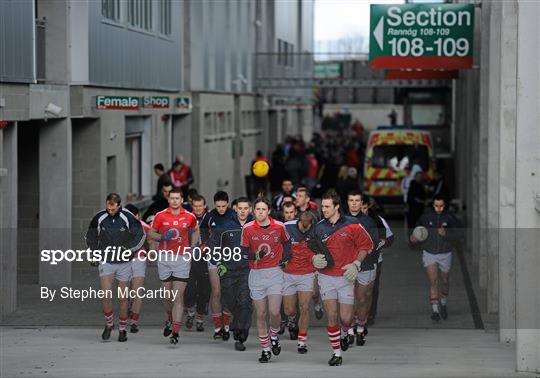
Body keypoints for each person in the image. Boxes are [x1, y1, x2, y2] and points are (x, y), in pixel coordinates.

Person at [313, 191, 373, 366]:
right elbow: (313, 250)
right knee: (331, 316)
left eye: (327, 206)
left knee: (346, 318)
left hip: (346, 277)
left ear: (337, 206)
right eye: (322, 206)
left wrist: (356, 264)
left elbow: (366, 246)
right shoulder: (319, 227)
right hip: (325, 277)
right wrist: (313, 259)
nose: (323, 210)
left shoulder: (353, 224)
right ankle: (337, 353)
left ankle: (346, 332)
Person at [85, 193, 145, 342]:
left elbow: (141, 234)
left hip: (124, 262)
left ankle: (123, 329)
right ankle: (109, 324)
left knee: (123, 298)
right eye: (108, 207)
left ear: (119, 205)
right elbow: (90, 236)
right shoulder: (99, 217)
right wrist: (93, 253)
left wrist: (129, 249)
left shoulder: (127, 216)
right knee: (105, 295)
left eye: (113, 208)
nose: (110, 210)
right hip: (106, 260)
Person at [241, 197, 291, 363]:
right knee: (261, 314)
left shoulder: (279, 226)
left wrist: (285, 259)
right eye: (258, 209)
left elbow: (287, 243)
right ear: (253, 211)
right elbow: (242, 253)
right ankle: (265, 349)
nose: (260, 212)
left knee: (274, 312)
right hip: (256, 275)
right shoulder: (247, 228)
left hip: (275, 273)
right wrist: (254, 256)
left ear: (268, 211)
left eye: (263, 209)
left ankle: (274, 335)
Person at [148, 188, 200, 344]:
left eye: (178, 198)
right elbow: (151, 233)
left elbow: (196, 230)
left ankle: (176, 332)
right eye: (172, 198)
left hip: (182, 259)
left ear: (182, 199)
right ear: (168, 200)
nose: (175, 201)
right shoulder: (160, 215)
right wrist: (162, 236)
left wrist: (191, 247)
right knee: (167, 296)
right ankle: (170, 319)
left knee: (178, 296)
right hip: (164, 258)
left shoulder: (189, 216)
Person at [282, 211, 327, 354]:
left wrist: (318, 258)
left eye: (307, 228)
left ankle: (302, 342)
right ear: (298, 221)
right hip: (288, 274)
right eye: (302, 226)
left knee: (305, 307)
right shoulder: (286, 227)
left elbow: (323, 248)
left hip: (307, 273)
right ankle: (292, 318)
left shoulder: (316, 230)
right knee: (289, 310)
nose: (304, 229)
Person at [410, 195, 460, 321]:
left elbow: (460, 234)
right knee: (433, 281)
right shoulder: (426, 217)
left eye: (441, 206)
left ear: (445, 205)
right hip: (429, 253)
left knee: (444, 281)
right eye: (436, 206)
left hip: (445, 253)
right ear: (433, 205)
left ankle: (443, 302)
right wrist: (413, 239)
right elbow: (416, 231)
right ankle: (435, 310)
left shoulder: (450, 217)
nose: (439, 208)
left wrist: (447, 233)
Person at [215, 197, 254, 351]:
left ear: (250, 209)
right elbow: (214, 246)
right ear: (235, 209)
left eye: (246, 208)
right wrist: (219, 263)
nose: (243, 211)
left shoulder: (254, 226)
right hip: (228, 271)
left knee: (245, 302)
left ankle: (241, 334)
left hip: (247, 270)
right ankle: (237, 324)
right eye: (240, 208)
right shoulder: (224, 227)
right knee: (230, 301)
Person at [344, 191, 379, 346]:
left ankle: (360, 328)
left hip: (365, 266)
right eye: (351, 200)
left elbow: (374, 243)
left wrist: (364, 253)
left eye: (357, 200)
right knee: (348, 299)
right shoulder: (341, 220)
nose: (354, 203)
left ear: (361, 203)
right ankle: (350, 331)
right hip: (345, 267)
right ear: (347, 202)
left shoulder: (369, 222)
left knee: (362, 299)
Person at [205, 191, 237, 341]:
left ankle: (226, 325)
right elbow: (202, 232)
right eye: (218, 206)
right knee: (216, 291)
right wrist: (204, 245)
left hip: (231, 257)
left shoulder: (234, 215)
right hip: (214, 256)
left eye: (224, 206)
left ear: (228, 204)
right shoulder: (210, 216)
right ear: (214, 204)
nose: (221, 209)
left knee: (228, 292)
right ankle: (218, 327)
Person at [124, 204, 153, 334]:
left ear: (138, 216)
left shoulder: (144, 226)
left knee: (137, 292)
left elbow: (151, 240)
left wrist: (151, 253)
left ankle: (134, 322)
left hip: (139, 259)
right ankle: (130, 305)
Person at [183, 194, 211, 332]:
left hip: (206, 260)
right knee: (188, 289)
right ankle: (190, 312)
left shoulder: (211, 218)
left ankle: (200, 319)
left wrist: (207, 246)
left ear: (204, 206)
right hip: (189, 259)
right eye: (196, 206)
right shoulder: (187, 218)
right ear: (192, 206)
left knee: (204, 290)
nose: (198, 208)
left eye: (201, 206)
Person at [407, 170, 427, 235]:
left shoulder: (421, 185)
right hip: (413, 208)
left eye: (420, 177)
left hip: (420, 209)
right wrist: (422, 201)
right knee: (412, 225)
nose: (419, 178)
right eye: (418, 176)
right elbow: (412, 197)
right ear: (415, 177)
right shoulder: (413, 184)